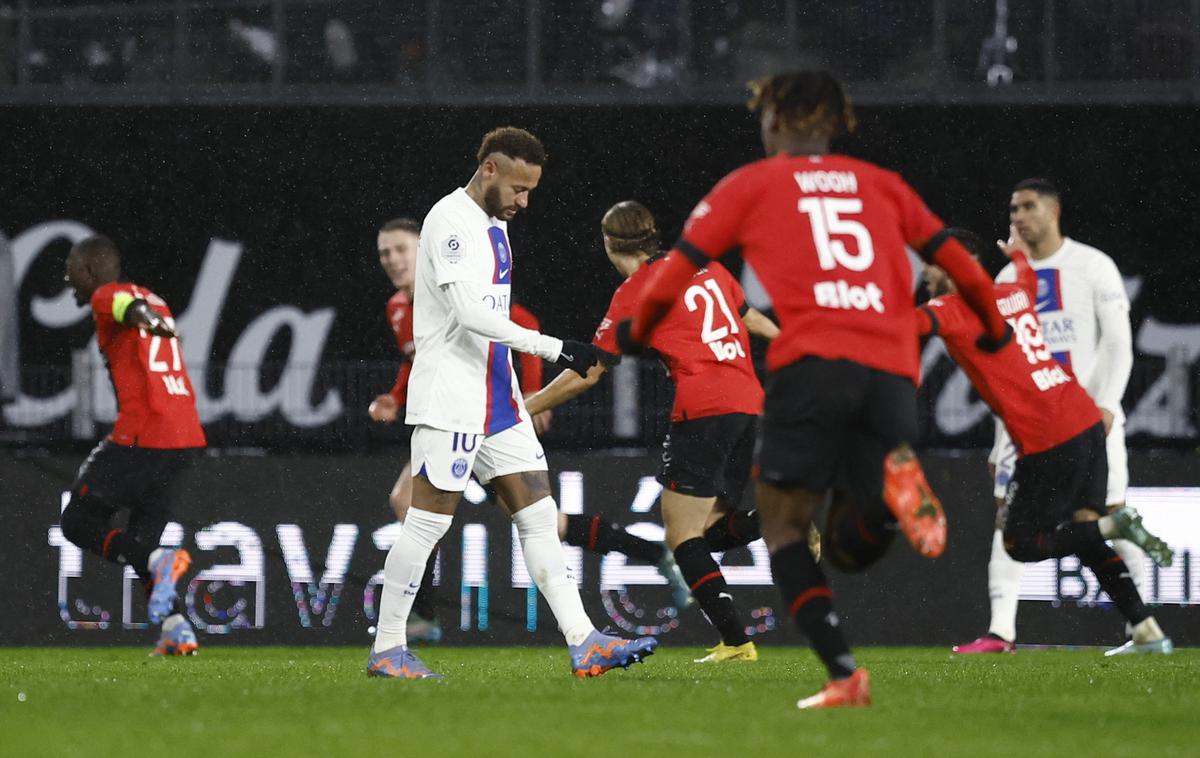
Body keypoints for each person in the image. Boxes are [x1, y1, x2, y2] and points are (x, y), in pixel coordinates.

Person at [614, 71, 1011, 708]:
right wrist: (992, 326)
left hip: (814, 367)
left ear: (774, 120)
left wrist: (636, 330)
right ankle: (886, 489)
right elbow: (956, 260)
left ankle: (844, 674)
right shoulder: (883, 185)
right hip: (890, 371)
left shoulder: (749, 184)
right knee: (851, 546)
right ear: (837, 121)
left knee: (784, 527)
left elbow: (681, 264)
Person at [367, 127, 657, 679]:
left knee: (540, 518)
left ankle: (585, 642)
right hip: (452, 398)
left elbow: (497, 316)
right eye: (519, 188)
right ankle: (387, 648)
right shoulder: (449, 221)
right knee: (427, 524)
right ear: (491, 169)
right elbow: (470, 316)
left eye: (532, 192)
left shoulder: (496, 223)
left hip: (498, 400)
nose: (525, 202)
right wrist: (557, 349)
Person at [526, 200, 787, 664]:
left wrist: (525, 408)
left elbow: (591, 371)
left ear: (609, 244)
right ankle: (775, 533)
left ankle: (738, 641)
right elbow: (748, 318)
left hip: (703, 409)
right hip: (750, 406)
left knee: (682, 538)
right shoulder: (707, 269)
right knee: (706, 532)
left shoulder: (638, 290)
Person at [921, 229, 1172, 655]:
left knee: (1020, 543)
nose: (923, 270)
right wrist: (1019, 255)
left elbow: (901, 325)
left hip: (1046, 435)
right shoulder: (1014, 290)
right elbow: (1026, 277)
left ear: (953, 264)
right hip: (1084, 416)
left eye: (930, 260)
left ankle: (1114, 526)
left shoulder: (950, 307)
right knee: (1084, 533)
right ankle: (1146, 629)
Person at [954, 179, 1141, 654]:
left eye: (1028, 206)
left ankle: (1138, 630)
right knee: (1010, 520)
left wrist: (1106, 403)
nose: (1017, 216)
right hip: (1029, 430)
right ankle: (1001, 631)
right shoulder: (1002, 283)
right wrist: (1001, 442)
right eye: (1013, 207)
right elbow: (1004, 374)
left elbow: (1119, 343)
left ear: (1054, 212)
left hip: (1087, 421)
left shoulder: (1092, 265)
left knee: (1105, 515)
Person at [60, 235, 205, 656]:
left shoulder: (109, 294)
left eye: (70, 268)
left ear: (88, 269)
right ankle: (177, 629)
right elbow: (139, 310)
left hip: (145, 432)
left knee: (78, 522)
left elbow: (124, 307)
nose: (67, 278)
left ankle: (160, 562)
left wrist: (139, 316)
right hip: (185, 435)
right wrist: (147, 315)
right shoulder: (156, 299)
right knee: (141, 542)